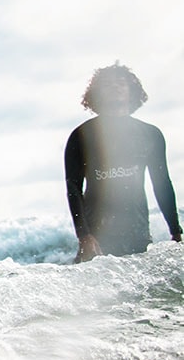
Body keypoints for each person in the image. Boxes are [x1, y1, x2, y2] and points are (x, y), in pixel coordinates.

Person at [64, 62, 182, 262]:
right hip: (97, 235)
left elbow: (161, 184)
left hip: (137, 232)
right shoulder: (81, 135)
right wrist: (84, 235)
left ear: (131, 90)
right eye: (107, 84)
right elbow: (73, 187)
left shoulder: (150, 134)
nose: (115, 87)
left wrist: (176, 231)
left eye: (121, 82)